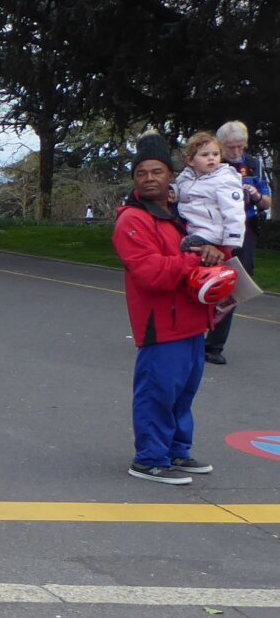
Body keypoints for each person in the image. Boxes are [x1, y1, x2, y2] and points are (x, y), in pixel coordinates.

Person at [112, 133, 231, 486]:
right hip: (160, 325)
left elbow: (207, 254)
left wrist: (214, 255)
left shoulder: (183, 216)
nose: (149, 178)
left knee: (183, 392)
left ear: (170, 177)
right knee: (158, 392)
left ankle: (176, 450)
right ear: (135, 180)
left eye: (157, 171)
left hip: (193, 322)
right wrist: (193, 258)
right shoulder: (132, 221)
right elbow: (150, 273)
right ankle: (149, 458)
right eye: (141, 173)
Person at [205, 120, 271, 364]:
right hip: (216, 229)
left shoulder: (253, 164)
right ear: (222, 146)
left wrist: (255, 196)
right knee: (207, 281)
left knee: (234, 286)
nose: (235, 152)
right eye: (231, 147)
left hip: (246, 230)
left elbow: (267, 201)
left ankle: (214, 345)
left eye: (240, 147)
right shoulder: (213, 163)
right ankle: (191, 336)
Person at [172, 131, 246, 253]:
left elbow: (234, 210)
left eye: (215, 154)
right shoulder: (185, 177)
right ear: (190, 161)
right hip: (193, 227)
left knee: (187, 246)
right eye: (205, 155)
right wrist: (172, 192)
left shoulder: (224, 179)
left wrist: (232, 240)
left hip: (212, 232)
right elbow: (181, 190)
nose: (211, 158)